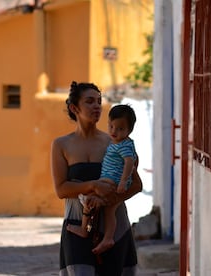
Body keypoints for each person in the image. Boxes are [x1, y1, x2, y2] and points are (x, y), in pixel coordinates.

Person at [51, 81, 142, 275]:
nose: (97, 106)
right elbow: (61, 190)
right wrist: (93, 186)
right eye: (90, 101)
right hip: (77, 224)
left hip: (114, 227)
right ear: (74, 108)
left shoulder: (116, 142)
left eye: (99, 101)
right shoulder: (61, 145)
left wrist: (111, 200)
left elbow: (136, 184)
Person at [67, 104, 137, 255]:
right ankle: (104, 237)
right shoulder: (115, 143)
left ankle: (87, 230)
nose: (114, 131)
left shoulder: (125, 145)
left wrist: (124, 181)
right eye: (111, 126)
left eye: (120, 129)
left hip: (113, 181)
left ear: (129, 131)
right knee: (108, 211)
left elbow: (130, 163)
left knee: (91, 200)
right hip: (110, 179)